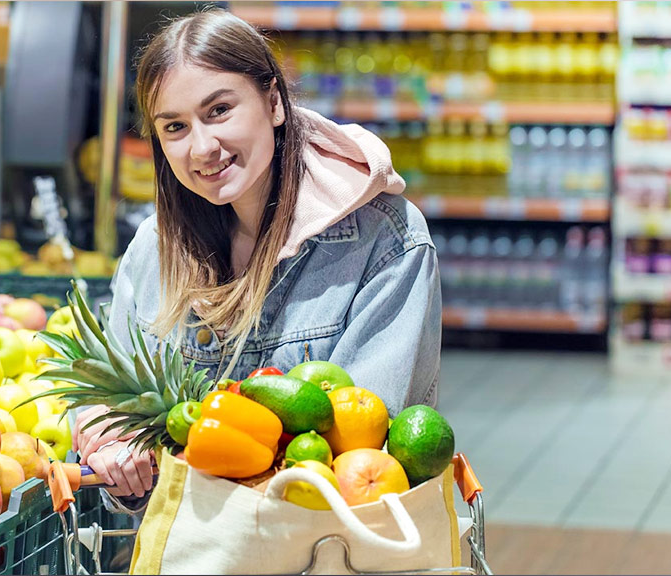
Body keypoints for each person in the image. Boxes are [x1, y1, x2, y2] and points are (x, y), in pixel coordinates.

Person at [76, 9, 441, 507]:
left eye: (220, 110)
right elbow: (109, 402)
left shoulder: (384, 241)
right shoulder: (155, 249)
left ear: (273, 102)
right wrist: (109, 448)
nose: (202, 146)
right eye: (176, 127)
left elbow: (363, 449)